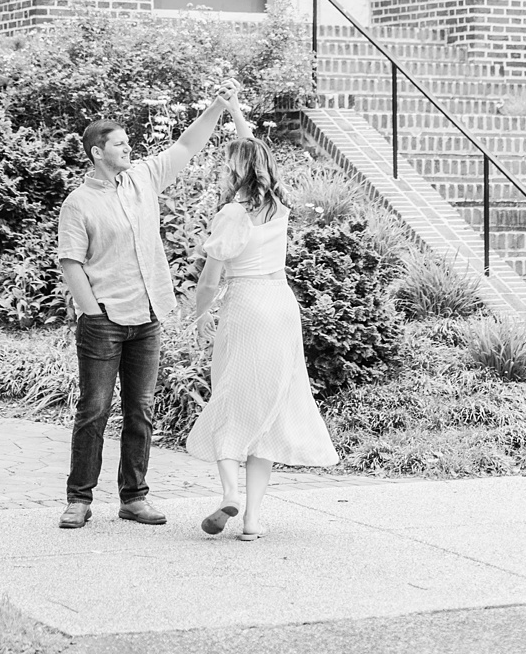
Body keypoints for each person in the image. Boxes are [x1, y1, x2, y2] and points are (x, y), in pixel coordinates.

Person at [54, 95, 238, 529]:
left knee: (141, 410)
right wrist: (92, 311)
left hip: (147, 316)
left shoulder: (144, 179)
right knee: (94, 410)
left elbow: (187, 145)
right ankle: (79, 500)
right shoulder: (78, 203)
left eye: (129, 143)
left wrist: (217, 107)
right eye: (120, 145)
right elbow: (70, 262)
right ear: (98, 152)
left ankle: (134, 498)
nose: (129, 149)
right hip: (104, 322)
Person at [181, 137, 340, 539]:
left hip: (247, 303)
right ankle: (252, 520)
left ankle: (229, 491)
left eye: (226, 162)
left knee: (232, 397)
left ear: (237, 170)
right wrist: (234, 109)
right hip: (282, 305)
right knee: (269, 406)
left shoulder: (232, 214)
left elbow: (209, 280)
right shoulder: (278, 207)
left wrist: (199, 317)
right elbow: (254, 145)